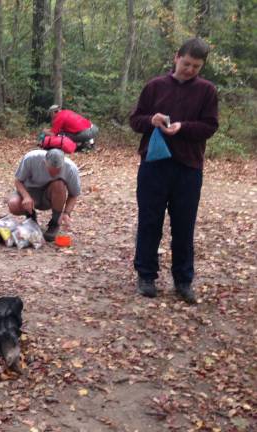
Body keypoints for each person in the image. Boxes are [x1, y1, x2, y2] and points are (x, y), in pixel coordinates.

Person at [130, 38, 218, 304]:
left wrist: (183, 128)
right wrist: (151, 120)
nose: (190, 69)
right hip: (153, 165)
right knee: (149, 220)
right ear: (176, 57)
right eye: (187, 63)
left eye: (196, 66)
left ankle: (183, 280)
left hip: (189, 167)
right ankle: (146, 275)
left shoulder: (207, 91)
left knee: (183, 225)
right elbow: (135, 120)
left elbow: (210, 126)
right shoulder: (155, 86)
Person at [8, 149, 80, 242]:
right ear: (44, 162)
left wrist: (66, 213)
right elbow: (18, 181)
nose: (54, 173)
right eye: (51, 170)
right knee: (13, 204)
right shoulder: (31, 158)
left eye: (58, 170)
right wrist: (26, 196)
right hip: (30, 191)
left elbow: (74, 195)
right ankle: (30, 217)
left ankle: (54, 222)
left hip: (50, 195)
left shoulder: (70, 168)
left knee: (59, 184)